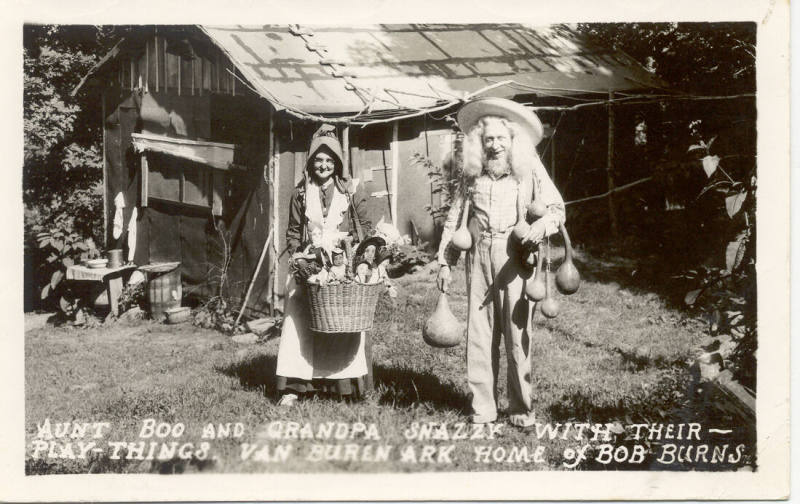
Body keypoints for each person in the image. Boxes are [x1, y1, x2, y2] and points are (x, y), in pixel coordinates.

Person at [436, 97, 565, 428]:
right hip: (478, 255)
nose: (494, 146)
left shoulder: (529, 171)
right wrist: (445, 261)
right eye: (487, 139)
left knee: (517, 333)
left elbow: (557, 210)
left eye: (500, 139)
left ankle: (521, 408)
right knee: (480, 335)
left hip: (516, 255)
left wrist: (539, 228)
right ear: (479, 142)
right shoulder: (473, 174)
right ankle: (483, 408)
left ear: (513, 140)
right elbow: (455, 219)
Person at [275, 124, 371, 407]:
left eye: (329, 161)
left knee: (342, 325)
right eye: (318, 160)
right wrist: (300, 258)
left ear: (337, 164)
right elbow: (293, 231)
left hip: (342, 264)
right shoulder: (301, 193)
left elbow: (364, 227)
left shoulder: (350, 190)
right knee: (298, 324)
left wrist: (347, 245)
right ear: (310, 162)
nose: (324, 165)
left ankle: (343, 386)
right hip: (309, 265)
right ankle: (295, 386)